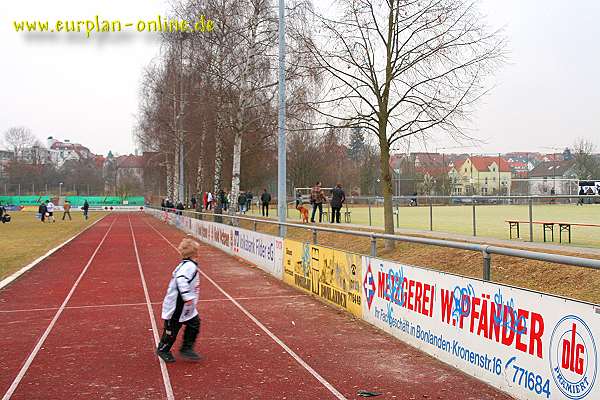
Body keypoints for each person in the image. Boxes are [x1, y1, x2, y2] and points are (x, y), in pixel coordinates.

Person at [156, 238, 202, 363]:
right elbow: (181, 279)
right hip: (177, 305)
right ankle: (163, 349)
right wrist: (187, 296)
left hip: (187, 307)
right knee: (172, 330)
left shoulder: (187, 265)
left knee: (194, 323)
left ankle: (186, 348)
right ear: (195, 253)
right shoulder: (188, 267)